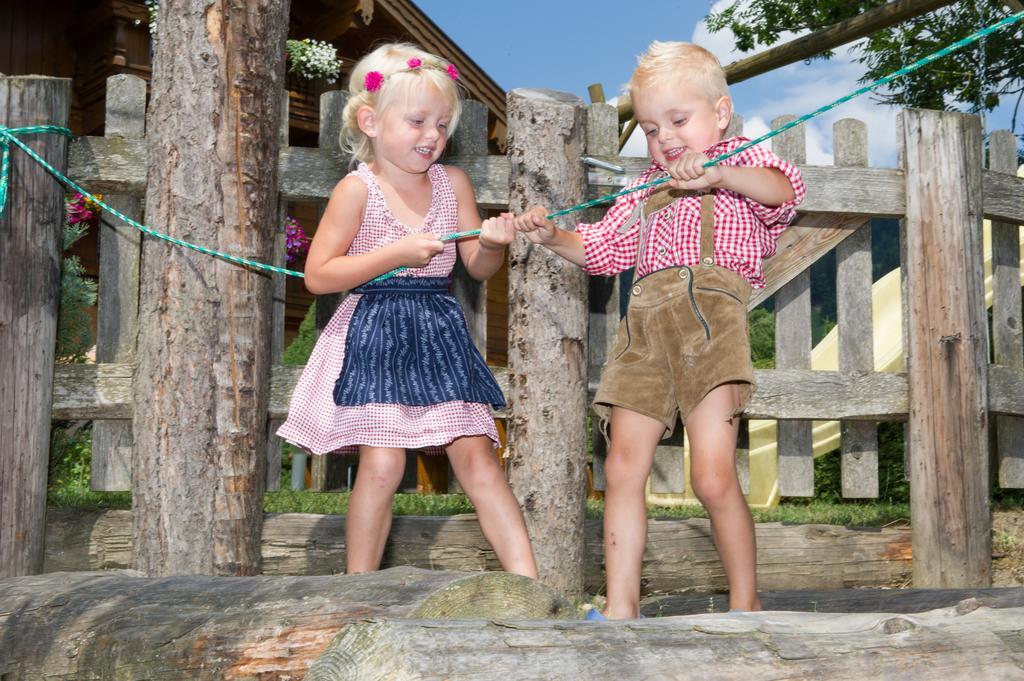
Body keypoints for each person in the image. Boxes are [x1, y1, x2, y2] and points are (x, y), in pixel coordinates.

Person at [513, 41, 805, 618]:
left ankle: (745, 608)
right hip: (643, 330)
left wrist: (720, 173)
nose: (666, 137)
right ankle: (622, 609)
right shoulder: (642, 188)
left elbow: (784, 193)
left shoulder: (743, 162)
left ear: (719, 114)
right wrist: (552, 237)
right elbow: (600, 251)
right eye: (650, 127)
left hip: (709, 324)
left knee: (713, 475)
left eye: (679, 119)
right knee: (622, 465)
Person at [278, 43, 537, 578]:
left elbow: (477, 266)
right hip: (374, 332)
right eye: (417, 121)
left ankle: (529, 587)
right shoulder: (357, 191)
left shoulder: (454, 185)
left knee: (478, 458)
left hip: (439, 332)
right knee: (383, 464)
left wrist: (492, 242)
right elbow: (319, 274)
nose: (432, 136)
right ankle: (360, 589)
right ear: (370, 121)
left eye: (442, 125)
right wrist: (395, 253)